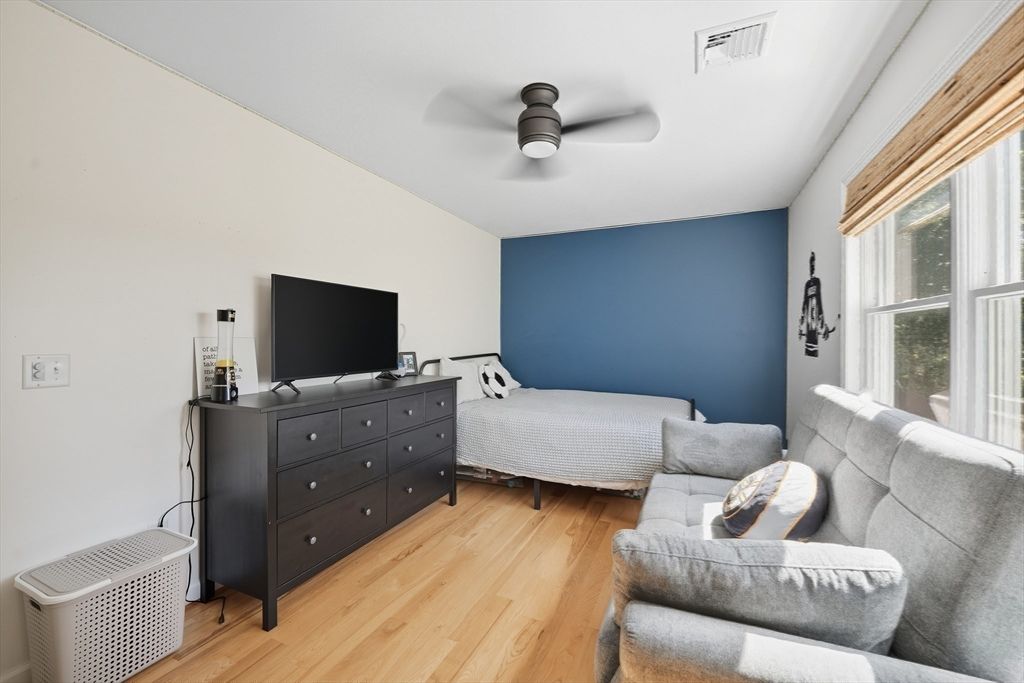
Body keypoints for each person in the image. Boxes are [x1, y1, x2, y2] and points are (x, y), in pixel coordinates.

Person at [799, 252, 834, 357]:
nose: (812, 268)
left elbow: (819, 298)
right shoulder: (807, 284)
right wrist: (802, 318)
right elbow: (804, 301)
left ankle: (813, 347)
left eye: (813, 265)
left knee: (813, 332)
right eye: (811, 265)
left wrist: (821, 317)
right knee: (810, 332)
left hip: (814, 311)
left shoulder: (817, 281)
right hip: (809, 313)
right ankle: (810, 348)